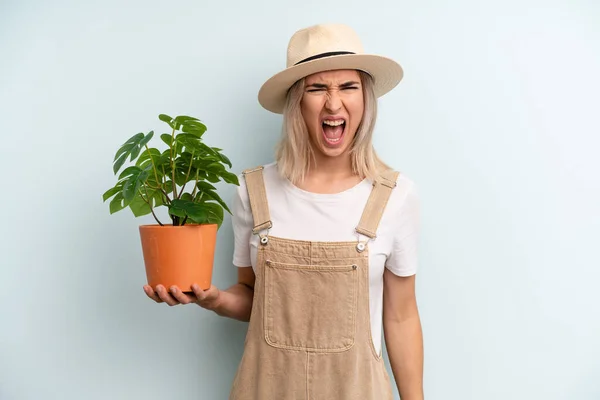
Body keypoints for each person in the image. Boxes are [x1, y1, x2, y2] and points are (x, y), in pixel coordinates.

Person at [143, 23, 424, 400]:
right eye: (317, 88)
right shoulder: (253, 191)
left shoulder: (395, 197)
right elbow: (252, 297)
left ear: (366, 99)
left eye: (348, 87)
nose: (333, 103)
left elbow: (402, 316)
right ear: (297, 102)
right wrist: (215, 300)